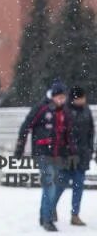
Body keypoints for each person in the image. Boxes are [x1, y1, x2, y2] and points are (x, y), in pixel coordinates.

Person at [14, 79, 76, 232]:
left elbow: (69, 134)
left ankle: (44, 216)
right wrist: (19, 150)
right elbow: (25, 126)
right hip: (43, 153)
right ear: (53, 96)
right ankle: (47, 219)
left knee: (56, 185)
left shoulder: (65, 112)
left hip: (59, 154)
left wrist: (72, 152)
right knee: (50, 186)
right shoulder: (42, 108)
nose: (62, 100)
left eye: (64, 97)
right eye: (59, 97)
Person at [53, 86, 94, 227]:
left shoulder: (87, 111)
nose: (84, 100)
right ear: (75, 99)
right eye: (81, 98)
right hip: (67, 156)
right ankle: (51, 208)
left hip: (82, 156)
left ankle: (75, 215)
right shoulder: (64, 111)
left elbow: (91, 132)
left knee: (78, 187)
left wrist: (90, 150)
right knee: (60, 185)